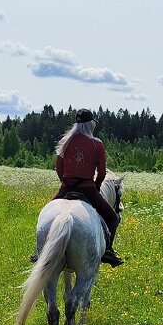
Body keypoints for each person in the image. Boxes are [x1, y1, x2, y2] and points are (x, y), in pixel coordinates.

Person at [51, 108, 123, 266]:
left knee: (47, 213)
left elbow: (59, 168)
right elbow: (102, 173)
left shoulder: (65, 142)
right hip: (88, 189)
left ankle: (40, 251)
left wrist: (65, 182)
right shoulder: (97, 144)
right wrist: (96, 186)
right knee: (112, 218)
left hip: (66, 188)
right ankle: (108, 251)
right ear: (91, 124)